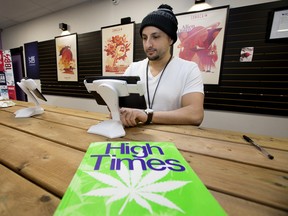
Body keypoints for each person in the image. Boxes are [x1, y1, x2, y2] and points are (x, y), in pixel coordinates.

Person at [120, 4, 204, 127]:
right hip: (134, 138)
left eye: (155, 37)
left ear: (170, 39)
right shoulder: (133, 68)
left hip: (170, 140)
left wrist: (147, 116)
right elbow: (119, 104)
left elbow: (195, 115)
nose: (148, 44)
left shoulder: (188, 69)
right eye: (144, 38)